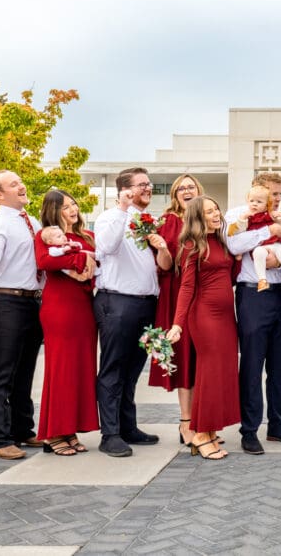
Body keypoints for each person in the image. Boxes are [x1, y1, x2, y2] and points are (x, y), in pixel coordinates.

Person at [93, 167, 171, 457]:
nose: (148, 189)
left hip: (146, 303)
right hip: (117, 302)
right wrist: (123, 208)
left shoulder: (146, 223)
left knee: (133, 369)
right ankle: (109, 433)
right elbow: (107, 247)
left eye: (149, 184)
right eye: (141, 185)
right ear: (124, 190)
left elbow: (157, 263)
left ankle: (128, 426)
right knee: (114, 368)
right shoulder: (109, 218)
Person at [225, 171, 281, 454]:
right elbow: (234, 244)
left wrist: (274, 258)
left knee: (280, 366)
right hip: (252, 295)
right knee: (253, 364)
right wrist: (267, 233)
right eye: (271, 193)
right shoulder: (237, 216)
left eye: (279, 194)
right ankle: (250, 429)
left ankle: (277, 425)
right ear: (256, 190)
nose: (275, 199)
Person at [0, 169, 45, 460]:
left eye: (20, 180)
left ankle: (22, 428)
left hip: (32, 302)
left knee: (26, 369)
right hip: (7, 301)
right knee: (4, 370)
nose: (21, 185)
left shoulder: (32, 221)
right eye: (13, 183)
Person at [168, 196, 241, 461]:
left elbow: (229, 275)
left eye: (216, 208)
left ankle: (210, 431)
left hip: (225, 317)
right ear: (198, 216)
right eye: (209, 211)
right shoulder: (191, 245)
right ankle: (199, 434)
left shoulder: (221, 241)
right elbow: (186, 287)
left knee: (222, 373)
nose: (216, 214)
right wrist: (177, 323)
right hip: (204, 316)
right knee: (209, 374)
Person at [35, 190, 99, 456]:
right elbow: (44, 260)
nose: (72, 209)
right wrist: (81, 259)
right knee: (60, 368)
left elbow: (98, 266)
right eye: (65, 207)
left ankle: (70, 428)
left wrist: (83, 264)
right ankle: (53, 432)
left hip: (85, 307)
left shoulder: (88, 236)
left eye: (74, 204)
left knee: (81, 369)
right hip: (59, 308)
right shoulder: (44, 236)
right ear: (53, 211)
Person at [148, 173, 203, 448]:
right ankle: (186, 421)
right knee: (184, 357)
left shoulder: (209, 217)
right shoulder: (169, 221)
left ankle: (205, 420)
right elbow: (166, 265)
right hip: (177, 292)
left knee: (204, 357)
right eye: (181, 188)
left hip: (205, 294)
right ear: (175, 195)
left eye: (190, 186)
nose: (186, 191)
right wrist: (162, 249)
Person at [228, 185, 281, 297]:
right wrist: (242, 219)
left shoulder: (273, 215)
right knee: (258, 253)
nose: (254, 204)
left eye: (259, 202)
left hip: (275, 246)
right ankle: (262, 280)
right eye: (252, 201)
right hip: (260, 252)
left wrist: (280, 219)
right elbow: (233, 236)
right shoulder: (245, 216)